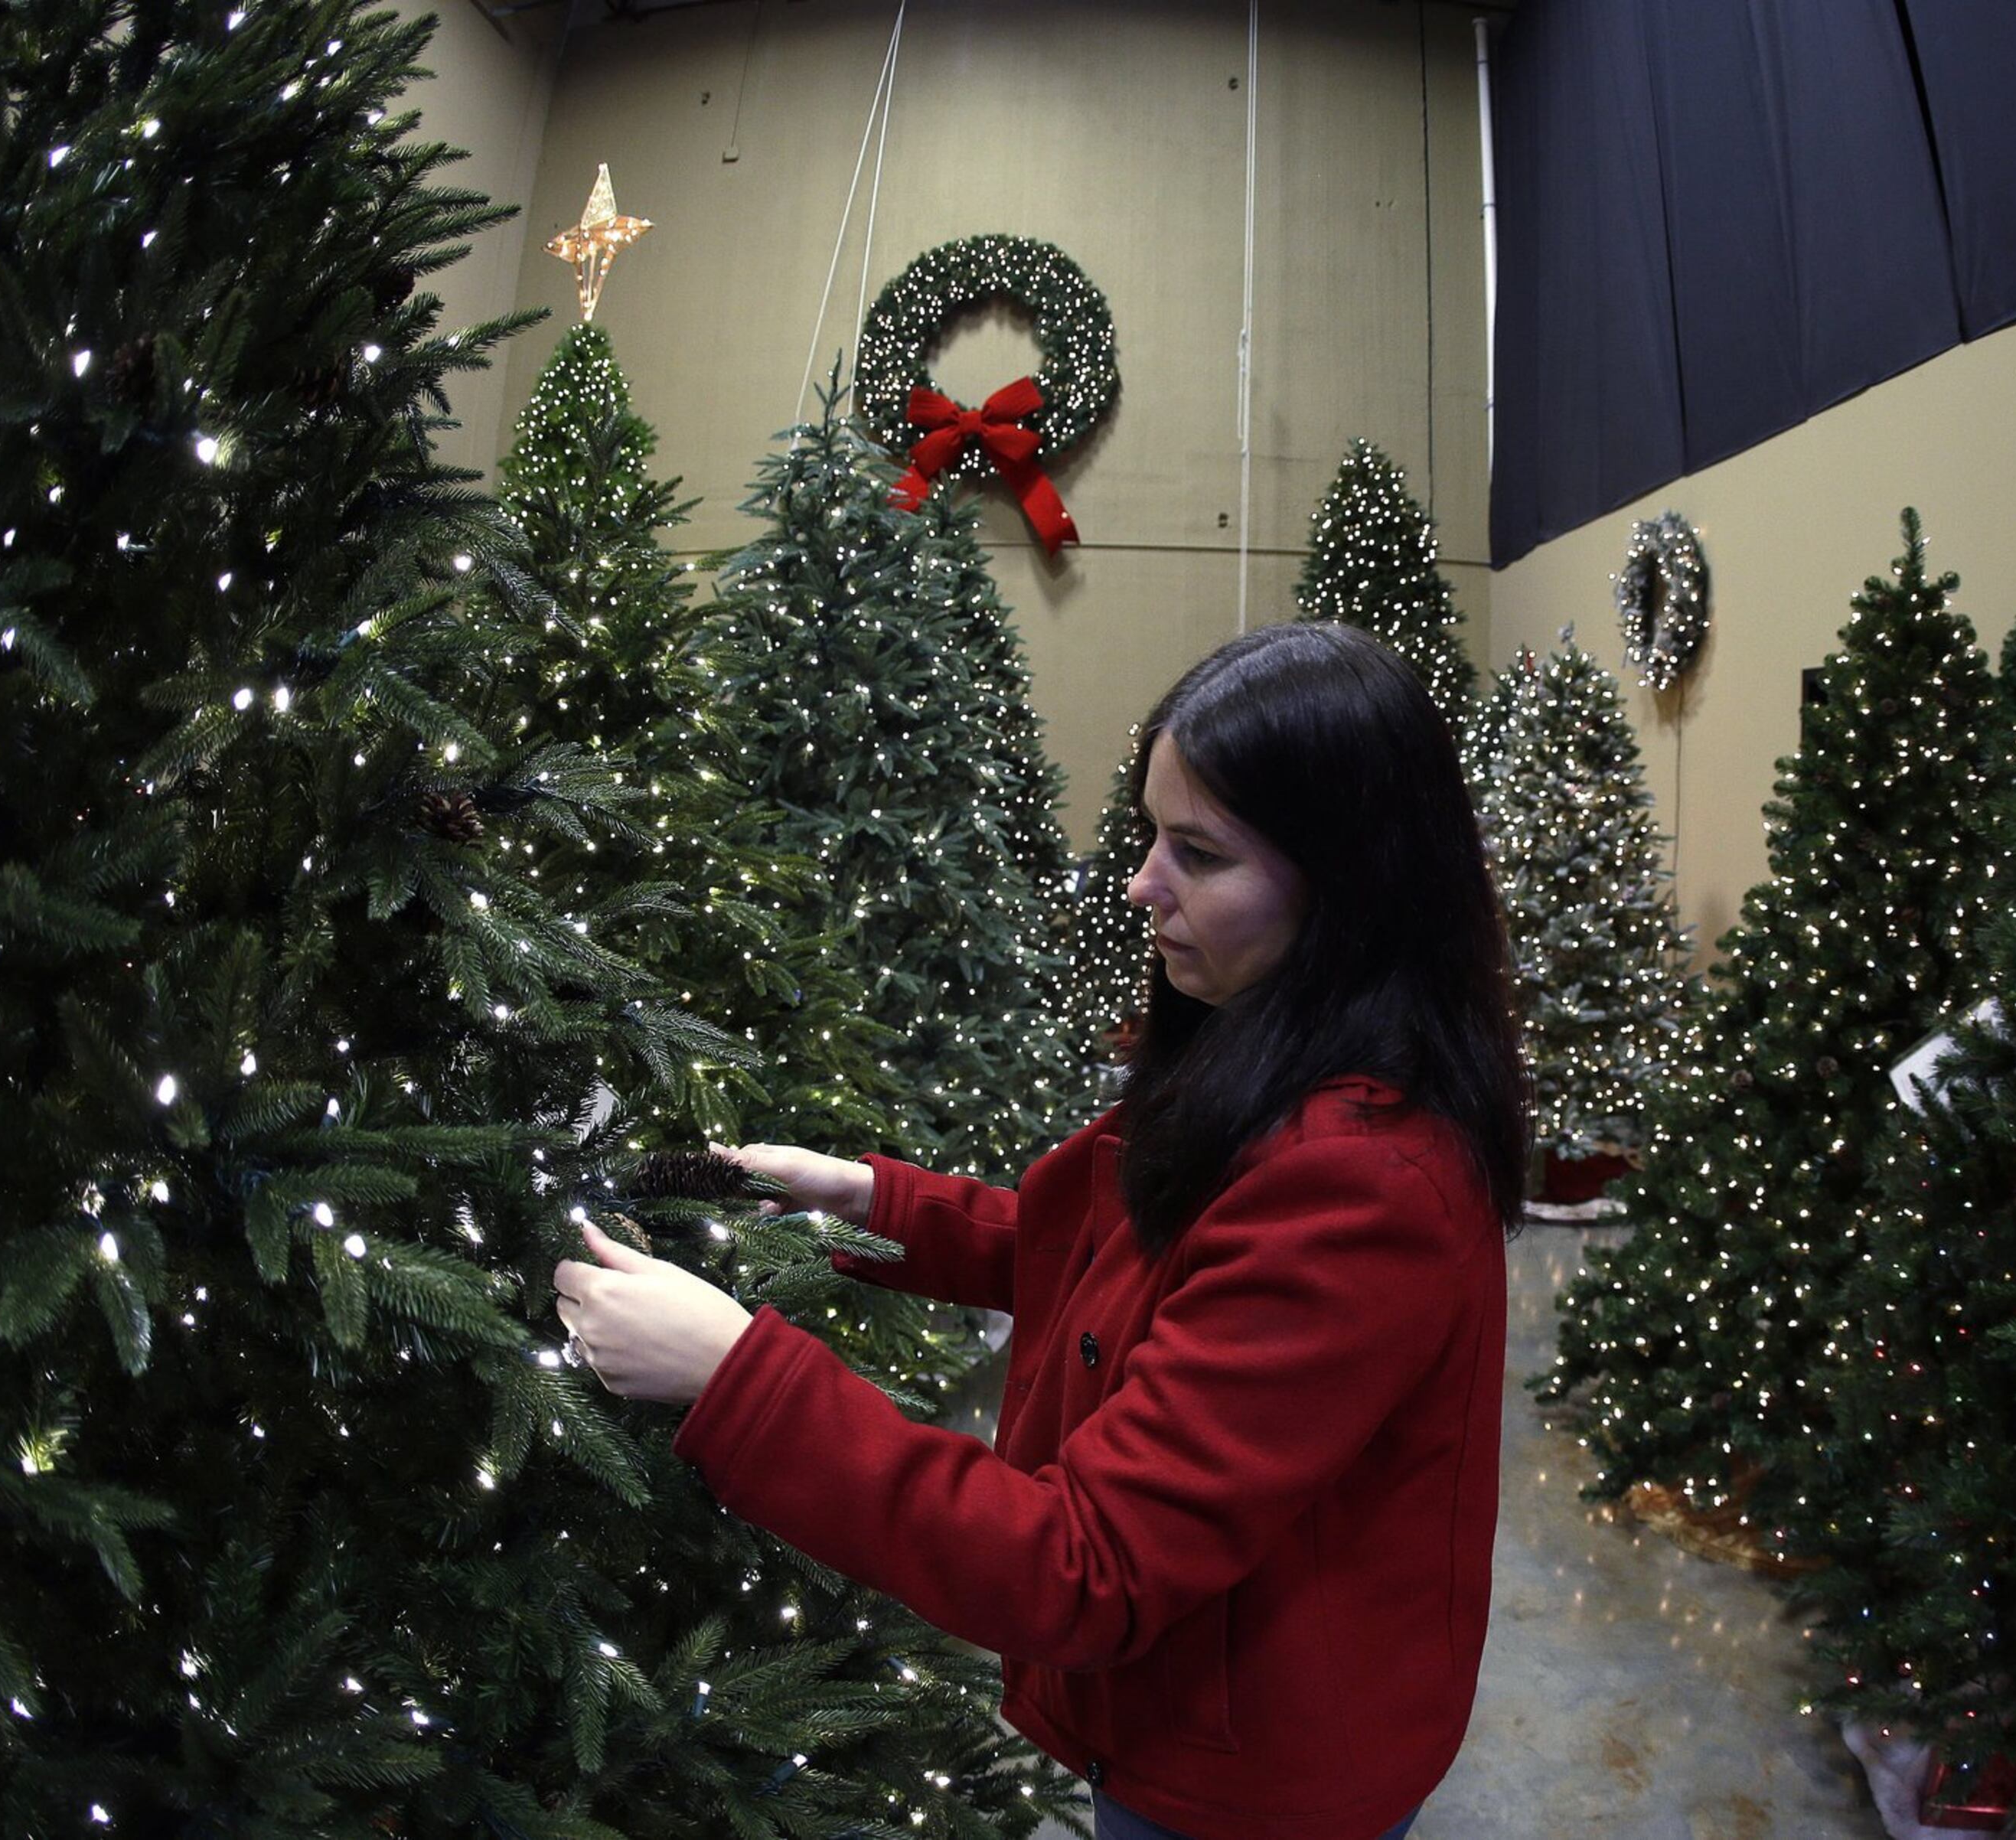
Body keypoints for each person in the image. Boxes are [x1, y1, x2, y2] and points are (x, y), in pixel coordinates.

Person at [553, 620, 1526, 1840]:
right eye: (1150, 838)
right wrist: (868, 1203)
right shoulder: (1268, 1036)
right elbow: (1132, 1269)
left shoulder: (1363, 1184)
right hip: (1188, 1706)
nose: (1141, 886)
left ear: (1350, 884)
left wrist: (737, 1377)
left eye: (1199, 853)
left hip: (1255, 1781)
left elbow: (1085, 1565)